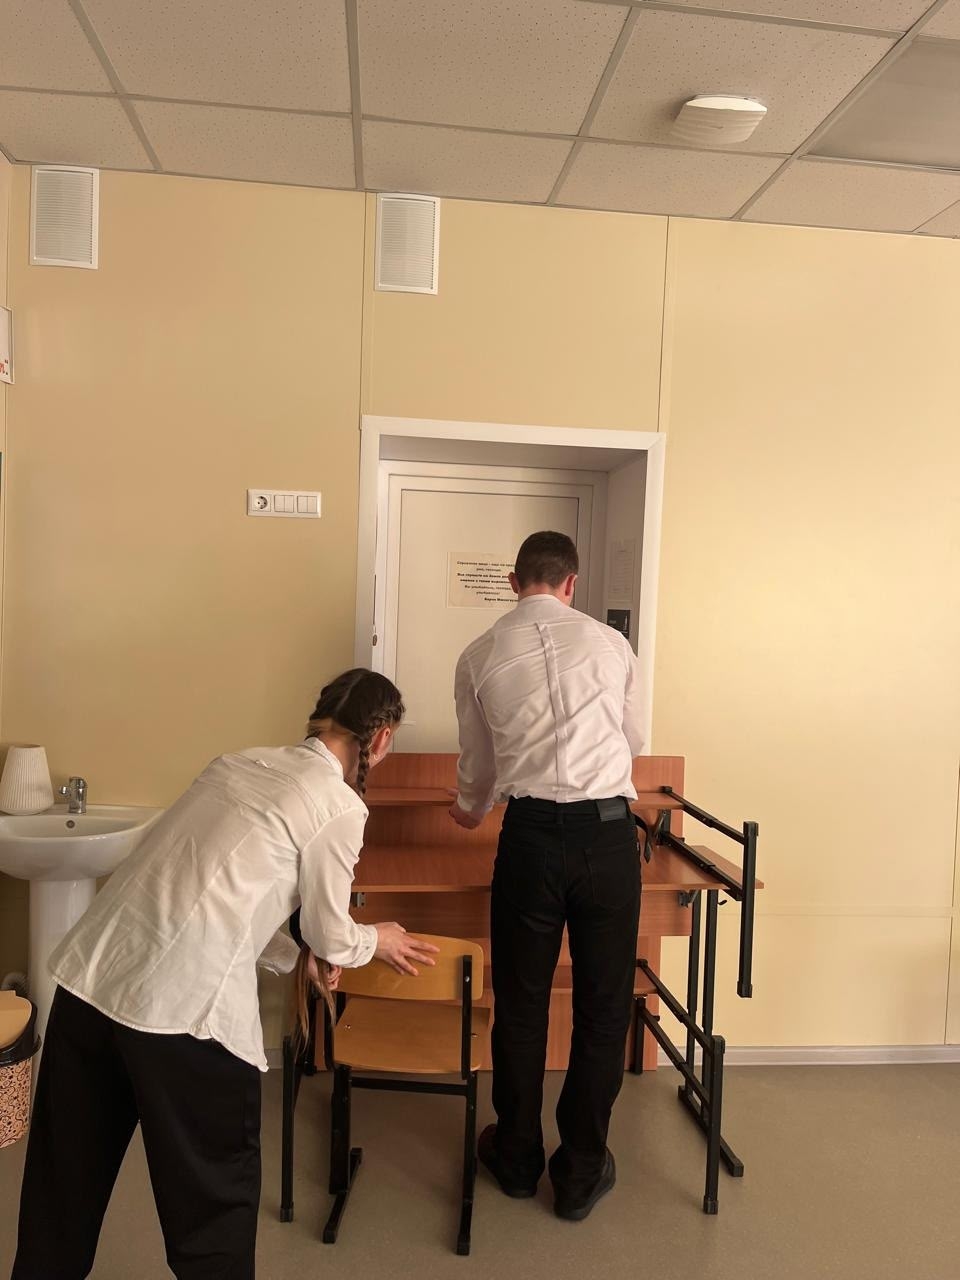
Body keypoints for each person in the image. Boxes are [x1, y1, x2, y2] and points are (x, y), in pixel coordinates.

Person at [12, 668, 437, 1280]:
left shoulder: (237, 763)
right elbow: (331, 934)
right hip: (182, 1018)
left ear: (318, 718)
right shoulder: (338, 805)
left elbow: (208, 887)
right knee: (212, 1226)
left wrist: (297, 953)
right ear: (383, 737)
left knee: (60, 1200)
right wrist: (377, 939)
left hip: (92, 983)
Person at [449, 531, 647, 1222]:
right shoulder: (612, 644)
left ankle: (516, 1157)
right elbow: (635, 739)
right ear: (571, 582)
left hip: (529, 837)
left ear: (513, 581)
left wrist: (470, 810)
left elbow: (478, 764)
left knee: (521, 1001)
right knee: (603, 1005)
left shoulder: (479, 654)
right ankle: (581, 1172)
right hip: (609, 836)